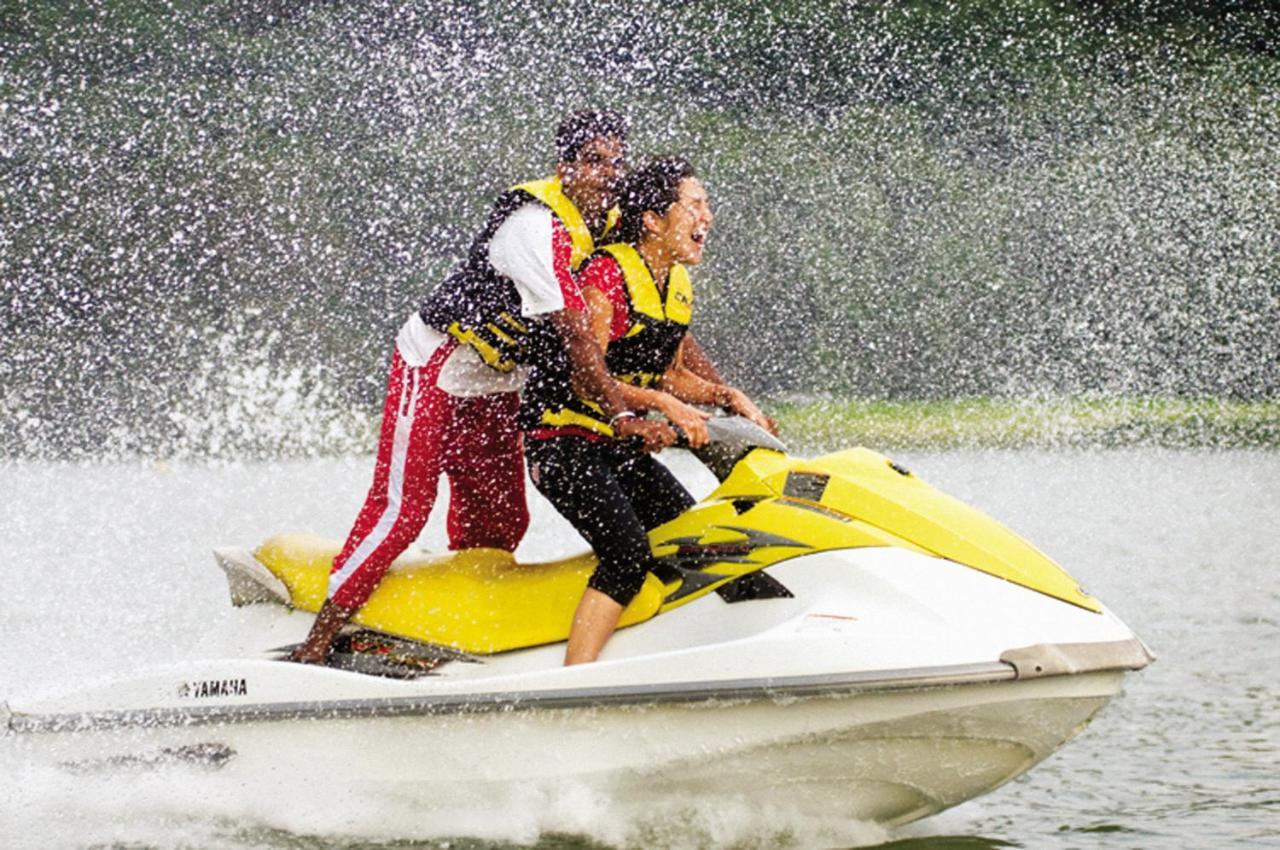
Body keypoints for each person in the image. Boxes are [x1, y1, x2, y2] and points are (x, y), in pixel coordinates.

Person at [290, 110, 665, 664]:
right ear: (564, 169)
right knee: (405, 509)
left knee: (502, 516)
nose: (608, 174)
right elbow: (577, 337)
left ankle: (457, 633)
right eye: (593, 162)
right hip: (435, 365)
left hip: (494, 382)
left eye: (616, 162)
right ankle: (316, 643)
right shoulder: (535, 227)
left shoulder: (607, 221)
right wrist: (621, 417)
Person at [520, 156, 773, 665]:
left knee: (693, 542)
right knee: (628, 554)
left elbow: (669, 372)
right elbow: (585, 378)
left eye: (708, 205)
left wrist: (728, 398)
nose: (707, 216)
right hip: (563, 444)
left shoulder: (676, 283)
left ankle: (703, 655)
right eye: (695, 205)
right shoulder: (606, 276)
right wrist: (663, 404)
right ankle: (573, 681)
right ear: (654, 220)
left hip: (616, 445)